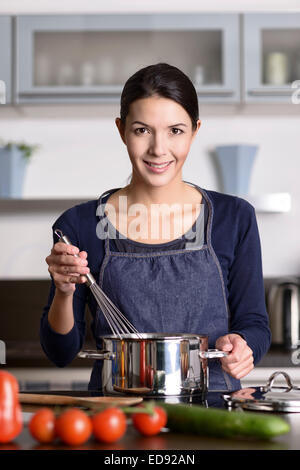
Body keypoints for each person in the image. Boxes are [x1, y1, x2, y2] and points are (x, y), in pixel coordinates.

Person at [41, 62, 271, 392]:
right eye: (142, 130)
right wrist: (65, 292)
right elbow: (60, 352)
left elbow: (255, 325)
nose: (158, 149)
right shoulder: (79, 225)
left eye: (175, 131)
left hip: (214, 414)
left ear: (195, 129)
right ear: (121, 130)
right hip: (118, 416)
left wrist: (245, 345)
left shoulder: (234, 218)